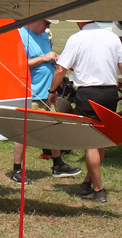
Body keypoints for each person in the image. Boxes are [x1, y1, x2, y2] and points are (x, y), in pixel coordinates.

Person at [51, 20, 122, 203]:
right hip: (110, 93)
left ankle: (98, 190)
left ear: (80, 21)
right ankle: (88, 182)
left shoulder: (77, 38)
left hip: (88, 93)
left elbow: (60, 69)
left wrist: (52, 91)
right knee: (101, 139)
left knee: (90, 142)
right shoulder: (112, 37)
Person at [9, 18, 83, 183]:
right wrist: (44, 58)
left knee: (53, 128)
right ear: (35, 21)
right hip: (31, 93)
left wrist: (53, 60)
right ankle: (17, 170)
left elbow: (45, 57)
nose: (48, 27)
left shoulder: (42, 35)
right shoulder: (20, 36)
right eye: (46, 23)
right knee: (23, 133)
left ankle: (58, 164)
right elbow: (18, 65)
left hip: (47, 93)